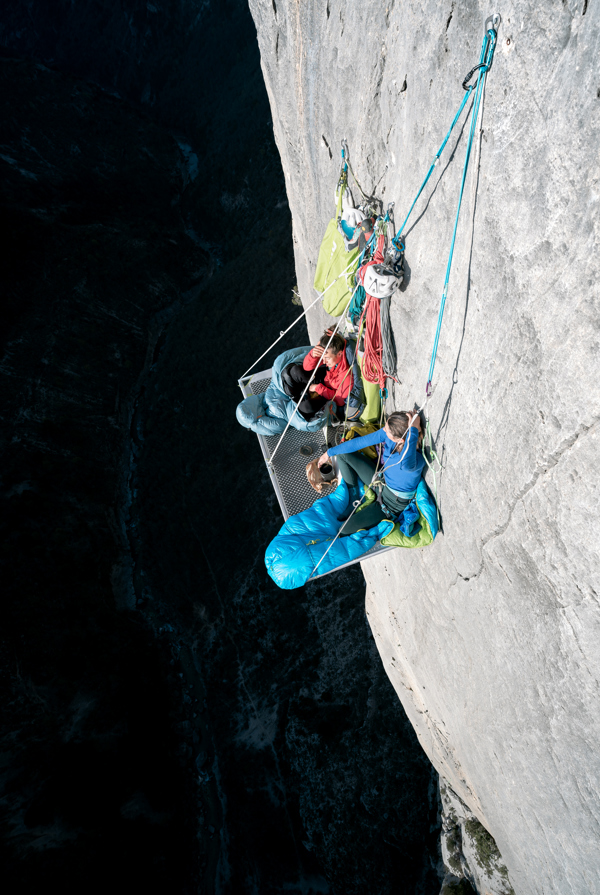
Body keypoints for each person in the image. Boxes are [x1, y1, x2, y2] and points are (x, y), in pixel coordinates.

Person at [317, 411, 424, 535]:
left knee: (343, 530)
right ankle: (354, 497)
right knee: (342, 454)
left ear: (400, 440)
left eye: (387, 430)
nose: (384, 430)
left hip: (391, 505)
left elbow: (406, 462)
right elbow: (359, 442)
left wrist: (413, 430)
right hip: (381, 481)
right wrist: (329, 453)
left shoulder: (411, 461)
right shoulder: (391, 437)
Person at [301, 331, 363, 422]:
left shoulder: (345, 375)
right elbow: (307, 368)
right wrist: (313, 354)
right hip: (326, 388)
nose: (324, 362)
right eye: (323, 357)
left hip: (333, 400)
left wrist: (318, 388)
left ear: (340, 354)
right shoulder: (332, 357)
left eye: (327, 358)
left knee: (306, 407)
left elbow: (340, 400)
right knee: (297, 373)